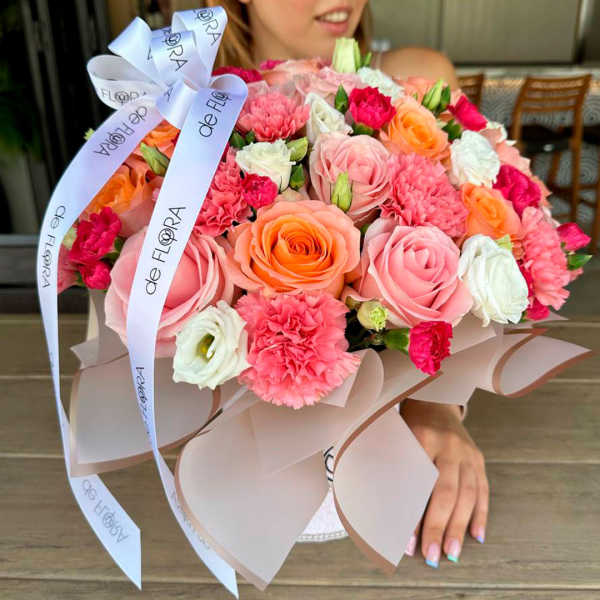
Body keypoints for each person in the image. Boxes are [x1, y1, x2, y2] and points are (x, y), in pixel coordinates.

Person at [205, 0, 489, 570]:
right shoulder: (191, 104)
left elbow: (479, 255)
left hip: (376, 496)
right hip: (248, 493)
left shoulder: (417, 77)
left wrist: (437, 405)